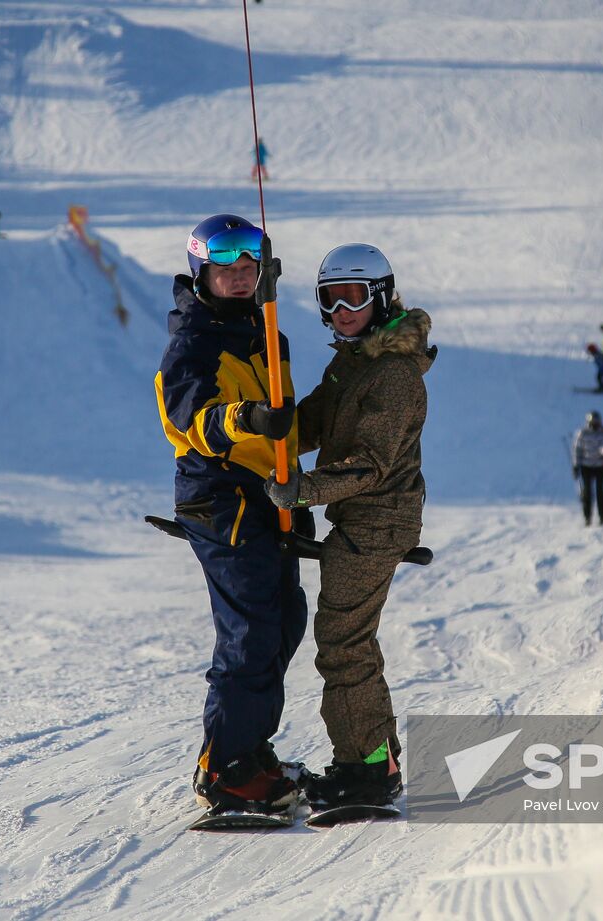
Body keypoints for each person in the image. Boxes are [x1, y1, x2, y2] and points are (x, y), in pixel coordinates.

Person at [264, 243, 435, 812]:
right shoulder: (353, 360)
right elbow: (311, 421)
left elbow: (369, 463)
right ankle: (373, 761)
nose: (341, 310)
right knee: (346, 640)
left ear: (381, 298)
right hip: (358, 517)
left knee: (344, 642)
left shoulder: (392, 375)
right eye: (330, 299)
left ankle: (365, 771)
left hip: (377, 520)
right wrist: (263, 430)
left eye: (354, 297)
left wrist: (304, 489)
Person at [155, 213, 309, 814]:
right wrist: (244, 419)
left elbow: (287, 428)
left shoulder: (266, 331)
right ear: (202, 274)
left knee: (285, 618)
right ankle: (224, 768)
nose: (241, 279)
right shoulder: (192, 342)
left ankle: (250, 748)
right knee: (250, 631)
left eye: (250, 269)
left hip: (267, 497)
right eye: (228, 271)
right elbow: (188, 417)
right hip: (220, 498)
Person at [572, 411, 603, 526]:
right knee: (587, 492)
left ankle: (602, 516)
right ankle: (587, 517)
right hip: (586, 466)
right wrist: (576, 465)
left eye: (596, 423)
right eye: (592, 423)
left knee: (600, 491)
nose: (594, 425)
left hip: (600, 466)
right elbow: (577, 450)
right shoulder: (583, 433)